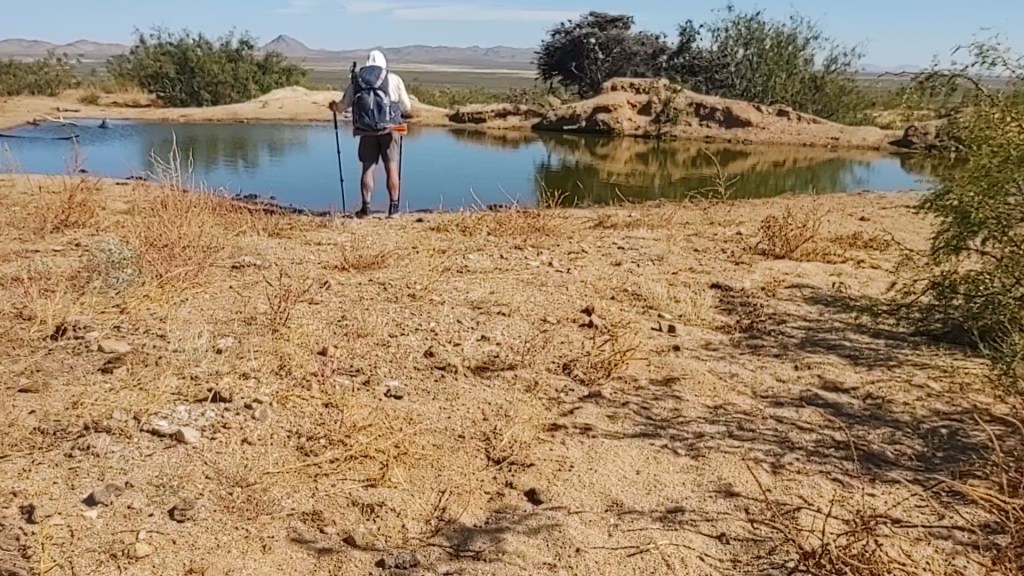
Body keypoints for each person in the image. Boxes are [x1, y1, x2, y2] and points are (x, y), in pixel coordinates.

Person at [329, 50, 412, 218]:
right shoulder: (393, 79)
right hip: (390, 130)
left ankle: (365, 209)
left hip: (366, 131)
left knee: (367, 168)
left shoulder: (357, 81)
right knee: (391, 168)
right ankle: (393, 209)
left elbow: (343, 106)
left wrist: (334, 107)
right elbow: (406, 107)